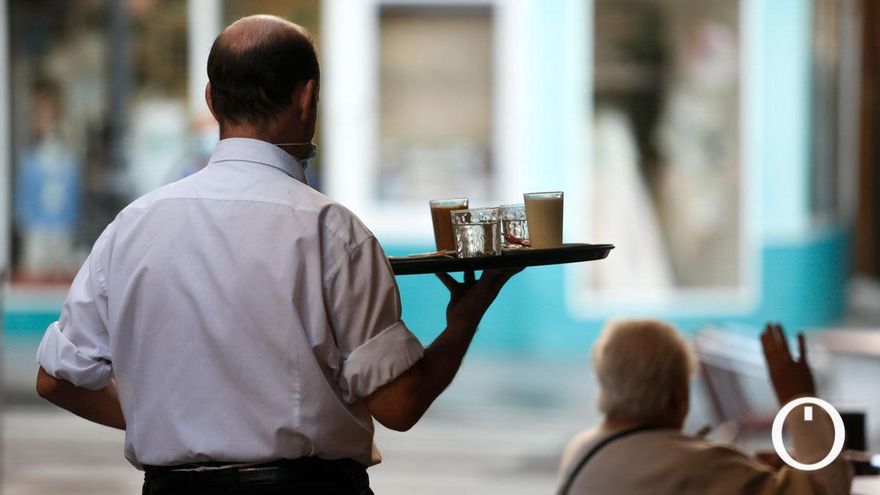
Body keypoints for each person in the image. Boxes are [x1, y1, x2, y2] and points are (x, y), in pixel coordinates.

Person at [35, 15, 519, 495]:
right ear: (306, 99)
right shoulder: (333, 233)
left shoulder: (131, 228)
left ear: (211, 100)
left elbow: (56, 380)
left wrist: (166, 420)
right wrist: (464, 320)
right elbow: (399, 405)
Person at [557, 320, 851, 495]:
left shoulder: (581, 450)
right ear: (679, 395)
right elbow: (828, 487)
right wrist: (799, 397)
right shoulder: (703, 466)